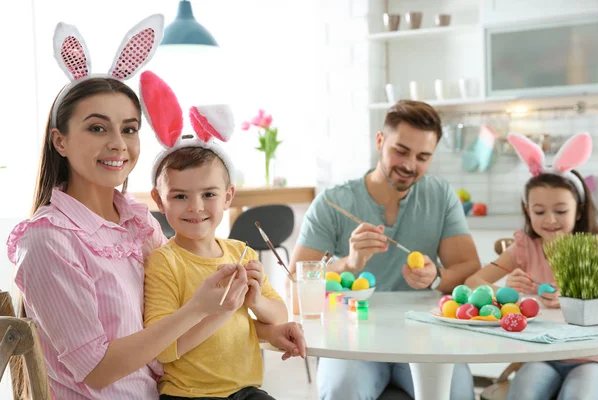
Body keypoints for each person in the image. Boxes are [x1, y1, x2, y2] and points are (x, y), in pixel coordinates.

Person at [7, 16, 305, 400]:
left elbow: (172, 337)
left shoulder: (137, 221)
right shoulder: (48, 240)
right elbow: (97, 372)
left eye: (129, 129)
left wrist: (266, 330)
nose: (118, 144)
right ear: (59, 141)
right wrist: (198, 308)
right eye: (98, 128)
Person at [289, 100, 480, 399]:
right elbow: (296, 284)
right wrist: (349, 264)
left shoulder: (440, 196)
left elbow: (469, 268)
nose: (409, 165)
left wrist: (436, 277)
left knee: (457, 392)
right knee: (343, 390)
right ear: (380, 141)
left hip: (426, 335)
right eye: (400, 151)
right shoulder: (332, 203)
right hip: (350, 338)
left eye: (423, 157)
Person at [141, 70, 293, 400]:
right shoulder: (165, 263)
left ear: (228, 196)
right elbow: (165, 350)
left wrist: (255, 301)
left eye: (209, 194)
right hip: (188, 395)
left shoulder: (242, 252)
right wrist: (220, 310)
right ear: (158, 200)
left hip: (247, 391)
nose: (195, 207)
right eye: (180, 196)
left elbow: (279, 313)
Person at [465, 132, 598, 400]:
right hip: (540, 355)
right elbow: (473, 282)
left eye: (561, 211)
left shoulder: (594, 248)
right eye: (539, 211)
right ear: (528, 211)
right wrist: (506, 293)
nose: (550, 220)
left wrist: (574, 298)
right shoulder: (525, 248)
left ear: (580, 210)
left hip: (591, 359)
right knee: (524, 392)